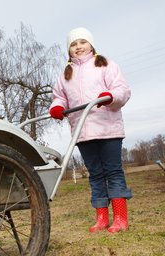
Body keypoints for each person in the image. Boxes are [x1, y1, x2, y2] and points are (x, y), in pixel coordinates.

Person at [49, 27, 132, 233]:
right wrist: (57, 108)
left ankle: (120, 217)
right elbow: (59, 97)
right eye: (73, 44)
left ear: (91, 44)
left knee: (112, 171)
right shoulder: (65, 74)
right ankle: (102, 217)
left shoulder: (104, 65)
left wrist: (110, 95)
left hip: (108, 128)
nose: (78, 47)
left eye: (82, 42)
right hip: (82, 131)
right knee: (95, 174)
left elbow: (122, 89)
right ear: (69, 50)